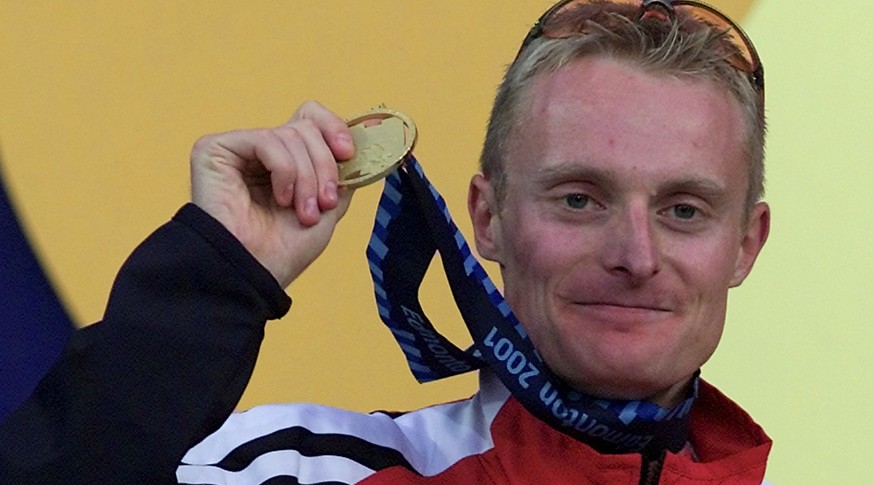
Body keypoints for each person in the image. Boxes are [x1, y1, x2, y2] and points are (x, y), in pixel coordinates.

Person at [0, 0, 773, 483]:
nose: (634, 254)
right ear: (487, 217)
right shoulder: (295, 471)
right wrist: (216, 280)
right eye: (579, 198)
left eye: (682, 210)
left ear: (745, 243)